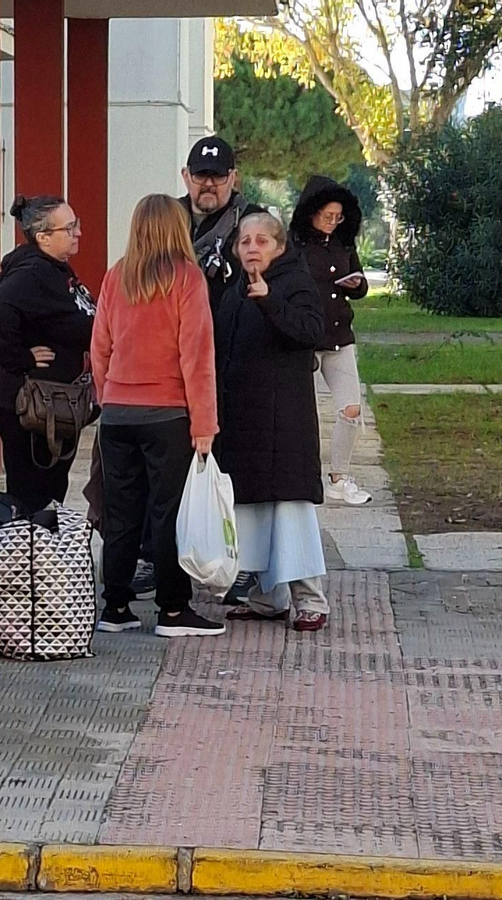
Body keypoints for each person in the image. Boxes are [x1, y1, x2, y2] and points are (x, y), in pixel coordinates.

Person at [91, 194, 224, 639]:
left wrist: (108, 393)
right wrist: (204, 424)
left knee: (121, 512)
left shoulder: (117, 275)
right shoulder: (187, 278)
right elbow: (197, 357)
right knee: (168, 512)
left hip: (117, 414)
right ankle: (172, 610)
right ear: (176, 227)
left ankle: (115, 606)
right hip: (167, 414)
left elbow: (100, 347)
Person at [212, 213, 331, 632]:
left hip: (285, 424)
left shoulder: (294, 283)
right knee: (255, 511)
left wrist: (271, 301)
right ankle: (267, 597)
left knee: (289, 511)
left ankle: (310, 600)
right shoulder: (233, 289)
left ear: (279, 247)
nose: (251, 248)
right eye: (244, 241)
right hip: (244, 421)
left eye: (261, 241)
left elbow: (310, 331)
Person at [0, 195, 97, 513]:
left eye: (76, 225)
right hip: (28, 403)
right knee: (32, 492)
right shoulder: (33, 272)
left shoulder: (55, 269)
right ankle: (29, 550)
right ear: (43, 237)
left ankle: (41, 547)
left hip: (52, 405)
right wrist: (20, 358)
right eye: (69, 228)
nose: (78, 233)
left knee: (49, 487)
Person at [290, 175, 372, 507]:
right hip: (306, 339)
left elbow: (363, 286)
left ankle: (339, 477)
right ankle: (301, 475)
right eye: (328, 216)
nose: (333, 223)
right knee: (301, 414)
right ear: (312, 212)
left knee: (351, 408)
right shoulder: (294, 247)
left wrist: (356, 284)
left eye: (338, 217)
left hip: (340, 336)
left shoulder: (343, 244)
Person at [180, 135, 266, 311]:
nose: (209, 184)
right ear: (186, 176)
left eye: (218, 176)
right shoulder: (165, 219)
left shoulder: (258, 222)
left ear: (233, 177)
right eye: (201, 175)